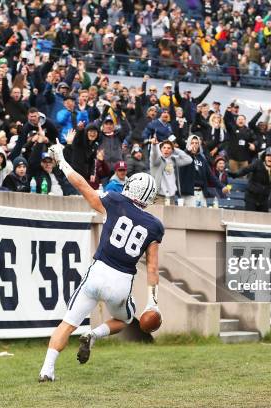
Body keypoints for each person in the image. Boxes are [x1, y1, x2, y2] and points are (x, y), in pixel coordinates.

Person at [38, 143, 163, 382]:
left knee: (68, 323)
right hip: (121, 282)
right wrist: (153, 302)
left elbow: (83, 186)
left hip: (97, 272)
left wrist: (62, 160)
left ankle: (47, 370)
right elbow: (152, 267)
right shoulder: (154, 225)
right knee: (125, 319)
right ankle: (93, 335)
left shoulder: (115, 201)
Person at [149, 137, 193, 204]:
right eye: (164, 148)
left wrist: (175, 149)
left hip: (172, 196)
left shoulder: (173, 160)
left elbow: (189, 160)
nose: (166, 150)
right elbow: (153, 155)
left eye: (169, 148)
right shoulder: (157, 161)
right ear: (160, 149)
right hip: (159, 196)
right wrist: (154, 146)